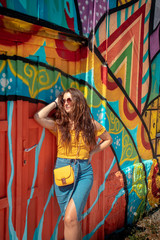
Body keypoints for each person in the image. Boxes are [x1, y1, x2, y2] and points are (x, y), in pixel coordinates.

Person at [34, 88, 112, 240]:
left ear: (78, 101)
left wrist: (92, 152)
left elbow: (108, 139)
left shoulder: (90, 124)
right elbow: (38, 117)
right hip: (63, 172)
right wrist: (55, 103)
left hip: (84, 172)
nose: (66, 103)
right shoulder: (60, 124)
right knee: (71, 220)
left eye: (69, 99)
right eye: (64, 101)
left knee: (70, 219)